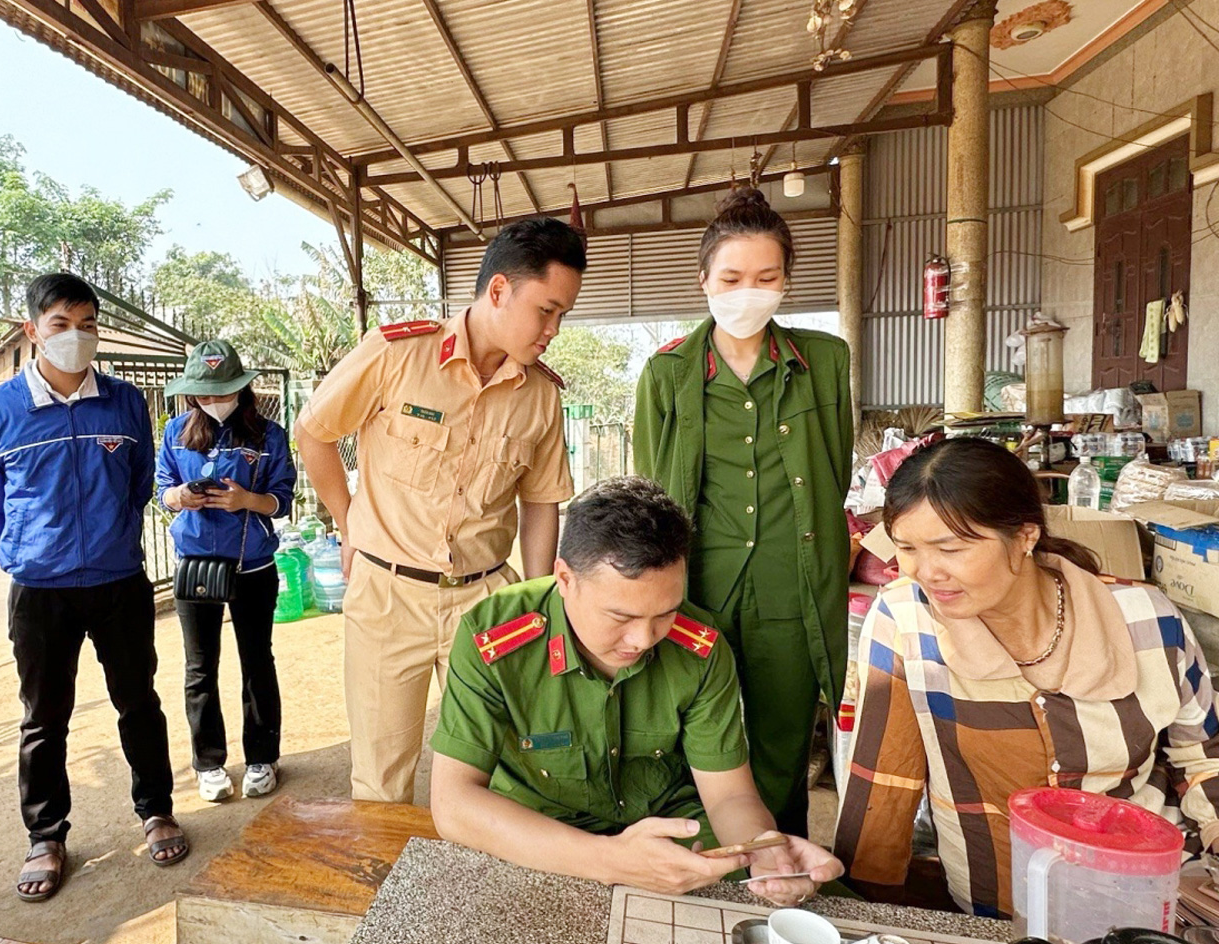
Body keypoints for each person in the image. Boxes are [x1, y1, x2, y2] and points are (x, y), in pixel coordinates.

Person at [834, 438, 1219, 917]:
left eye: (951, 548)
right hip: (998, 906)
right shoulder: (905, 618)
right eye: (907, 549)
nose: (926, 572)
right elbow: (884, 781)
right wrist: (863, 915)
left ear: (1024, 537)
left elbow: (1205, 750)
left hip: (1147, 898)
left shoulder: (1144, 619)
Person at [428, 477, 843, 903]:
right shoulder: (495, 638)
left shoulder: (699, 648)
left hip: (672, 838)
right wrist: (610, 860)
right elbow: (454, 805)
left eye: (665, 612)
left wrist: (762, 850)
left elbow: (730, 795)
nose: (645, 639)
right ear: (565, 578)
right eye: (621, 616)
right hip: (542, 839)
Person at [296, 217, 581, 803]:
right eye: (546, 310)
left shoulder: (541, 395)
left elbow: (541, 503)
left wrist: (538, 602)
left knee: (494, 769)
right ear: (498, 290)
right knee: (381, 775)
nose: (553, 329)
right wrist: (347, 523)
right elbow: (315, 431)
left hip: (484, 602)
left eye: (562, 316)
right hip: (386, 595)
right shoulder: (396, 354)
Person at [631, 186, 855, 837]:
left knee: (782, 742)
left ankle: (782, 860)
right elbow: (652, 494)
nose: (747, 291)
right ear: (703, 279)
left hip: (793, 584)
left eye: (766, 277)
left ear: (787, 281)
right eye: (731, 277)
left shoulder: (824, 362)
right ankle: (698, 857)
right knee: (692, 733)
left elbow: (832, 471)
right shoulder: (667, 374)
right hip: (698, 586)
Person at [0, 271, 185, 903]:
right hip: (40, 590)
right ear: (33, 331)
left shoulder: (123, 402)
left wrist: (113, 535)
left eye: (87, 325)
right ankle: (46, 835)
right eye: (61, 325)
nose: (76, 337)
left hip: (118, 580)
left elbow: (139, 480)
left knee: (138, 700)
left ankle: (156, 810)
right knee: (44, 716)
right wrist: (20, 554)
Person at [157, 340, 297, 802]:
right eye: (204, 393)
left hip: (253, 565)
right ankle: (209, 763)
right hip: (195, 566)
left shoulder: (269, 436)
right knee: (200, 667)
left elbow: (283, 501)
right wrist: (178, 497)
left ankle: (262, 756)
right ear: (192, 393)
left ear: (242, 388)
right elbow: (161, 490)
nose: (214, 401)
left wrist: (246, 501)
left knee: (257, 661)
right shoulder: (176, 432)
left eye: (223, 391)